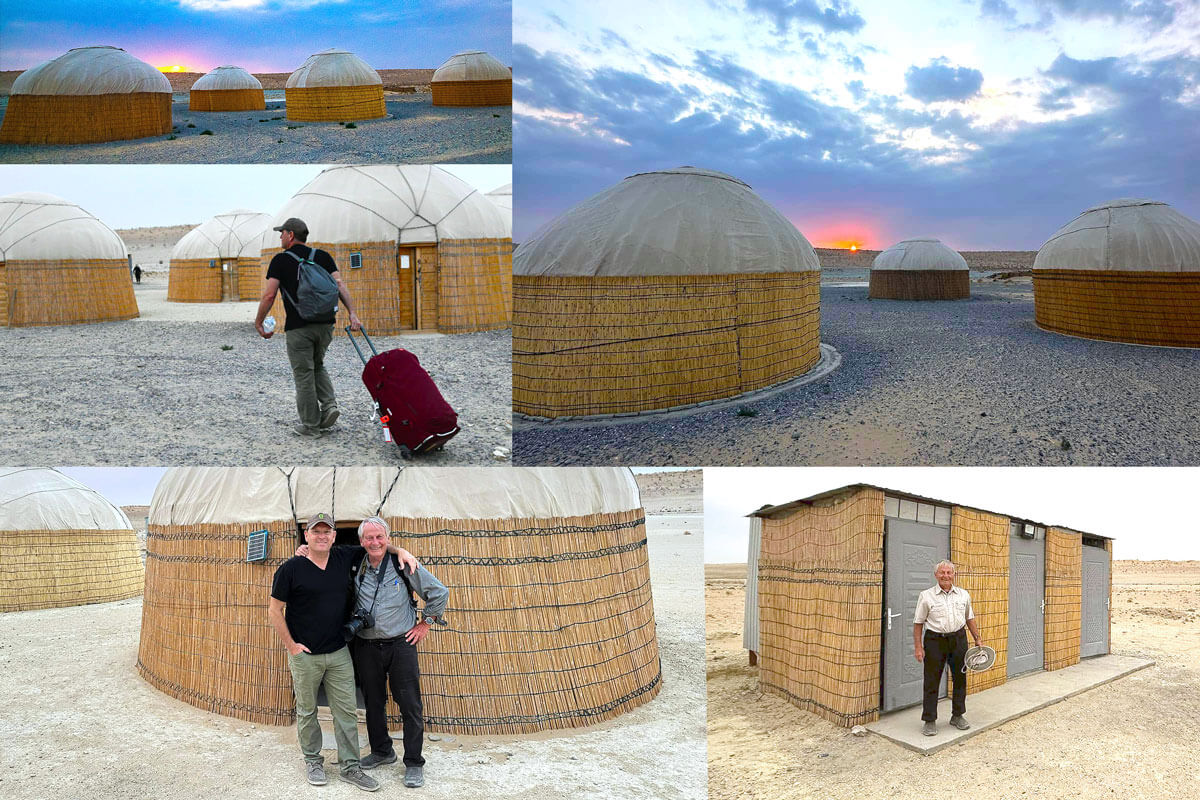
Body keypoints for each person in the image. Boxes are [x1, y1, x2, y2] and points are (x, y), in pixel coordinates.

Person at [268, 512, 417, 790]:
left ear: (334, 536)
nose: (321, 536)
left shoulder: (343, 557)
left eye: (327, 532)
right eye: (316, 531)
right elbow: (275, 610)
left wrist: (401, 551)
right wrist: (291, 646)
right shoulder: (290, 569)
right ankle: (313, 761)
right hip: (304, 654)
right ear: (306, 535)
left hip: (339, 652)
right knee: (307, 710)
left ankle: (350, 767)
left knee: (346, 712)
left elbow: (376, 545)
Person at [350, 517, 448, 790]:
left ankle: (414, 762)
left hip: (401, 644)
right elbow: (323, 554)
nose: (375, 542)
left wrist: (425, 623)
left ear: (388, 539)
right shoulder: (354, 564)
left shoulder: (402, 564)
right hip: (366, 645)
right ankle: (382, 751)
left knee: (409, 704)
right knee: (373, 702)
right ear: (361, 541)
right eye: (369, 537)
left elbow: (439, 592)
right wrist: (303, 550)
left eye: (380, 537)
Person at [254, 217, 362, 438]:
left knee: (303, 374)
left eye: (282, 233)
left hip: (299, 327)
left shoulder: (280, 260)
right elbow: (339, 285)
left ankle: (311, 426)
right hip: (325, 325)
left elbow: (269, 295)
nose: (280, 237)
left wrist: (258, 322)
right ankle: (329, 406)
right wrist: (352, 313)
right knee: (318, 365)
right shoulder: (322, 256)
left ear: (291, 235)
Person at [912, 559, 984, 736]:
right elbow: (918, 623)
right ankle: (929, 720)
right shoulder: (926, 596)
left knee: (960, 678)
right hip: (935, 640)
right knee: (931, 680)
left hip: (958, 639)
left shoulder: (963, 595)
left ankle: (957, 716)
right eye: (942, 572)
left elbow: (969, 618)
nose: (946, 576)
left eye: (949, 572)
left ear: (954, 575)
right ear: (936, 575)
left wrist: (977, 638)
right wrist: (918, 647)